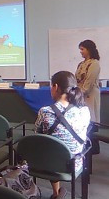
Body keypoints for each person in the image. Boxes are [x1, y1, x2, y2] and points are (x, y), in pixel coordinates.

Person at [35, 71, 90, 199]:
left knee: (51, 148)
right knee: (59, 148)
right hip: (74, 163)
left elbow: (37, 134)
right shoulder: (84, 111)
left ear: (55, 87)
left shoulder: (45, 111)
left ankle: (55, 193)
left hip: (48, 163)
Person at [75, 40, 100, 123]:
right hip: (80, 95)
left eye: (82, 49)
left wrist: (77, 94)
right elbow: (76, 80)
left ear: (88, 50)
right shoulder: (81, 64)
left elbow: (88, 83)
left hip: (90, 95)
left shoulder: (94, 63)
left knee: (90, 118)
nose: (80, 52)